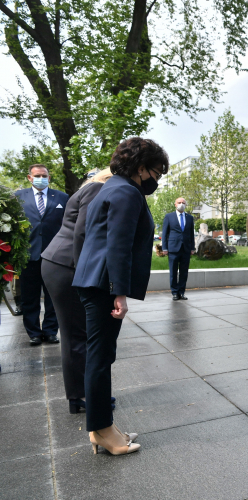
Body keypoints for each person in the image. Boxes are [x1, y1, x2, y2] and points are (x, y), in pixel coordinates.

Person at [72, 137, 169, 456]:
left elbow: (83, 235)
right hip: (103, 285)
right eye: (156, 172)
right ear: (141, 168)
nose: (157, 179)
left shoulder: (110, 187)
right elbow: (118, 244)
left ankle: (105, 427)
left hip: (94, 280)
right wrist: (119, 293)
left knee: (101, 356)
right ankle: (101, 431)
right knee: (100, 359)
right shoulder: (128, 192)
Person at [41, 169, 118, 415]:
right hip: (67, 266)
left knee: (78, 333)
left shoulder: (90, 188)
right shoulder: (97, 189)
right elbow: (82, 234)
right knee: (76, 334)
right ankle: (80, 396)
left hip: (62, 264)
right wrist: (84, 274)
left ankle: (83, 392)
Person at [15, 164, 69, 345]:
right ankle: (34, 333)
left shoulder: (62, 197)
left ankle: (51, 331)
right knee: (29, 298)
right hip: (28, 257)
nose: (41, 178)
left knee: (54, 297)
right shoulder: (18, 198)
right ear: (29, 177)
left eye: (44, 175)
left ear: (49, 177)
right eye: (37, 175)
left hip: (54, 256)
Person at [162, 197, 196, 300]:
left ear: (186, 205)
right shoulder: (169, 217)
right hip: (173, 248)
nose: (181, 204)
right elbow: (165, 233)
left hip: (186, 249)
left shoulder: (189, 218)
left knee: (184, 272)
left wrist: (192, 247)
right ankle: (174, 292)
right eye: (179, 202)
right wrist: (164, 248)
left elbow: (191, 234)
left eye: (183, 203)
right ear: (175, 204)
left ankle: (181, 292)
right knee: (173, 271)